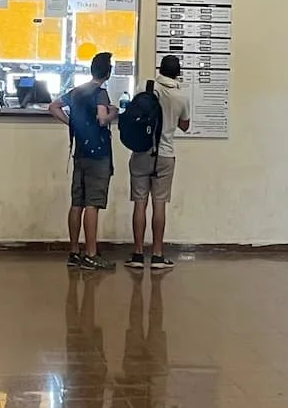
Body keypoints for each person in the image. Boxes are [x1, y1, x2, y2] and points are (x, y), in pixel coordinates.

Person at [50, 51, 116, 271]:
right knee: (92, 204)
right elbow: (101, 119)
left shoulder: (77, 91)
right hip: (98, 155)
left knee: (77, 203)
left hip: (79, 153)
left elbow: (53, 107)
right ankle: (91, 254)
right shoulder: (100, 93)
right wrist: (113, 113)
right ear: (108, 72)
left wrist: (71, 124)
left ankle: (74, 252)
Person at [129, 54, 193, 270]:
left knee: (139, 203)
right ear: (178, 72)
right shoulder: (181, 96)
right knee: (159, 204)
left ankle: (137, 254)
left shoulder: (145, 87)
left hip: (141, 153)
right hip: (165, 155)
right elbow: (185, 125)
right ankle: (157, 255)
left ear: (160, 69)